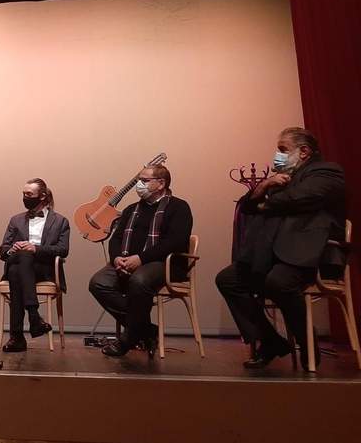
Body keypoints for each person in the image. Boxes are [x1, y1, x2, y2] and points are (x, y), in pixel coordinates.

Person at [216, 127, 345, 370]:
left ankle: (306, 342)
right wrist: (265, 185)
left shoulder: (326, 172)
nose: (278, 155)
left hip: (307, 253)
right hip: (269, 254)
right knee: (228, 279)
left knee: (278, 282)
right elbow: (246, 207)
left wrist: (265, 204)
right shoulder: (280, 177)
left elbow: (302, 197)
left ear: (304, 151)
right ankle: (271, 340)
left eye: (283, 149)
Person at [89, 165, 193, 357]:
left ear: (161, 183)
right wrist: (117, 258)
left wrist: (141, 259)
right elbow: (116, 239)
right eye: (139, 180)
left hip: (165, 264)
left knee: (139, 281)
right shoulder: (131, 209)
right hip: (128, 262)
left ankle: (128, 340)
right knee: (98, 283)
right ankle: (145, 330)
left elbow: (175, 242)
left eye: (144, 181)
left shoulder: (179, 207)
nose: (139, 184)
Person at [0, 178, 70, 352]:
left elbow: (63, 250)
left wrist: (35, 248)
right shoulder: (15, 220)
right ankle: (34, 316)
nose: (25, 197)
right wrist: (12, 248)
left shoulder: (60, 221)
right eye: (23, 194)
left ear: (43, 196)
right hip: (19, 259)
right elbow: (3, 249)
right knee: (22, 257)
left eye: (29, 194)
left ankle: (17, 338)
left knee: (16, 272)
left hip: (43, 269)